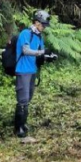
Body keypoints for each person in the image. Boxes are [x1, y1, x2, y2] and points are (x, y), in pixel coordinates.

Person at [14, 10, 55, 138]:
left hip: (32, 70)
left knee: (29, 97)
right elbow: (26, 51)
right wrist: (41, 53)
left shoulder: (39, 37)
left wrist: (49, 56)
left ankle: (23, 122)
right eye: (42, 25)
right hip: (22, 70)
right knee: (23, 99)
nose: (43, 27)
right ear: (36, 22)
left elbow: (41, 53)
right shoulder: (25, 34)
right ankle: (18, 127)